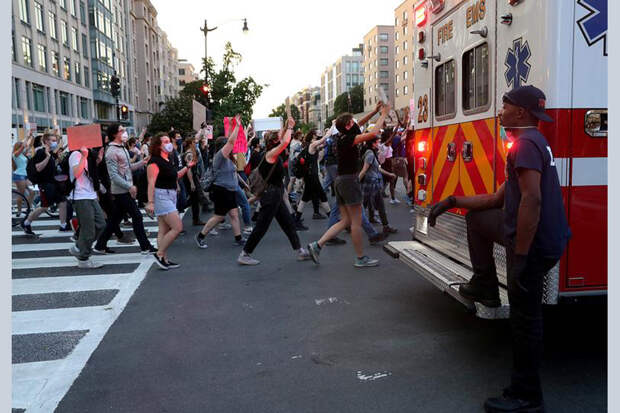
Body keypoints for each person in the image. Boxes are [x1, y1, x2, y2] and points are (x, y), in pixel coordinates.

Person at [428, 85, 570, 413]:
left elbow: (532, 200)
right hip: (535, 240)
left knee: (525, 320)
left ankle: (527, 397)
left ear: (520, 112)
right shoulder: (532, 143)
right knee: (478, 219)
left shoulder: (525, 146)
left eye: (504, 105)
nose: (500, 111)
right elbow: (496, 199)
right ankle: (485, 286)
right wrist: (451, 202)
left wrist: (520, 258)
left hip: (535, 245)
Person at [308, 102, 390, 265]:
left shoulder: (341, 136)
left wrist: (374, 111)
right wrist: (383, 115)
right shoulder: (349, 140)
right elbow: (373, 133)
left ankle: (317, 245)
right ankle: (360, 258)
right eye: (352, 121)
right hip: (349, 182)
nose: (355, 122)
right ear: (347, 126)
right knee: (356, 222)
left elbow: (360, 124)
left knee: (345, 220)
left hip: (340, 181)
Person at [238, 119, 311, 265]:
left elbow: (282, 138)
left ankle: (300, 251)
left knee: (288, 223)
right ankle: (244, 254)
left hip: (275, 194)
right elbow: (284, 142)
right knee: (262, 226)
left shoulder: (272, 151)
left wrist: (286, 127)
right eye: (279, 137)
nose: (282, 138)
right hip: (270, 195)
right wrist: (290, 127)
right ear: (275, 142)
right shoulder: (271, 154)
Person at [94, 124, 157, 254]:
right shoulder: (111, 151)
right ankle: (145, 246)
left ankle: (100, 245)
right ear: (114, 134)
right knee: (137, 216)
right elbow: (114, 175)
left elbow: (127, 169)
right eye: (121, 130)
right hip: (121, 190)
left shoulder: (121, 147)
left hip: (125, 189)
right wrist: (130, 186)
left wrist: (142, 162)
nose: (125, 132)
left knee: (115, 219)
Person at [195, 114, 246, 249]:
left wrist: (230, 126)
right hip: (221, 190)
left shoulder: (227, 157)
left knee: (234, 214)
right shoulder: (219, 157)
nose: (232, 147)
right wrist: (237, 126)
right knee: (218, 216)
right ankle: (200, 236)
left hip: (230, 190)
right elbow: (230, 142)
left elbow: (228, 140)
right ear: (223, 147)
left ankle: (238, 238)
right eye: (228, 145)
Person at [146, 133, 195, 269]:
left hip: (171, 194)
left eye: (169, 140)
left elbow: (176, 175)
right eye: (165, 141)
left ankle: (164, 259)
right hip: (161, 195)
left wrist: (188, 167)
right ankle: (159, 253)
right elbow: (151, 182)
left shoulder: (168, 159)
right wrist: (150, 202)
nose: (169, 143)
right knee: (177, 227)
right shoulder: (154, 161)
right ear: (158, 145)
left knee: (163, 229)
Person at [21, 133, 68, 235]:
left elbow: (53, 164)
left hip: (54, 183)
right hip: (45, 184)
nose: (55, 142)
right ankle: (26, 222)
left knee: (62, 202)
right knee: (44, 207)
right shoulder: (41, 153)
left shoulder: (50, 152)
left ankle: (63, 226)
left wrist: (56, 158)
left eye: (55, 140)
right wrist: (47, 157)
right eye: (52, 140)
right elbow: (38, 168)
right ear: (46, 141)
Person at [67, 146, 106, 268]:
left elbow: (92, 174)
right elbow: (76, 173)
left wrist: (97, 159)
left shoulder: (90, 154)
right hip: (80, 196)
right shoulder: (75, 155)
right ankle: (84, 258)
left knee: (101, 224)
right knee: (88, 229)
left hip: (91, 195)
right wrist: (83, 156)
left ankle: (79, 247)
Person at [359, 137, 397, 234]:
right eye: (377, 142)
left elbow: (377, 168)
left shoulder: (371, 153)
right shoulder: (370, 154)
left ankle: (383, 224)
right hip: (370, 184)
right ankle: (385, 226)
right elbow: (364, 170)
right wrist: (356, 182)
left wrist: (389, 174)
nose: (379, 144)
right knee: (377, 205)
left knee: (367, 204)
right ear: (373, 143)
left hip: (371, 183)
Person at [294, 131, 331, 221]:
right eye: (315, 136)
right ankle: (332, 218)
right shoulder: (312, 145)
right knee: (322, 195)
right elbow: (323, 140)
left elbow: (322, 144)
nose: (316, 138)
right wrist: (332, 127)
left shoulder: (310, 146)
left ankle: (297, 219)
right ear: (312, 137)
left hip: (309, 176)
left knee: (305, 197)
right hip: (312, 176)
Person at [182, 137, 205, 226]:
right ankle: (195, 219)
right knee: (194, 199)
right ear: (190, 144)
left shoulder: (190, 153)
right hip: (190, 178)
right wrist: (192, 182)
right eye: (194, 143)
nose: (196, 144)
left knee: (194, 199)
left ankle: (196, 219)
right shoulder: (189, 154)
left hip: (193, 177)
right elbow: (189, 169)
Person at [13, 135, 35, 217]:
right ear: (18, 147)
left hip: (25, 176)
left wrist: (31, 137)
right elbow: (23, 146)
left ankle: (28, 209)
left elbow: (29, 145)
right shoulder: (15, 154)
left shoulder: (23, 154)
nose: (23, 147)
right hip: (19, 175)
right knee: (21, 194)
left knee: (32, 192)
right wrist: (26, 138)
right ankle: (19, 211)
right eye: (21, 146)